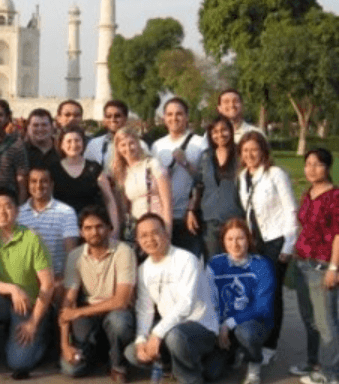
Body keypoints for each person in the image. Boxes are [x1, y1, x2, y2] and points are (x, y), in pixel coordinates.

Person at [0, 188, 54, 378]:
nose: (2, 212)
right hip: (3, 300)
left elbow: (48, 285)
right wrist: (12, 288)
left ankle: (43, 333)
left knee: (18, 363)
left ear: (17, 211)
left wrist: (32, 322)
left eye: (7, 207)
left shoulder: (32, 238)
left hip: (30, 306)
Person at [124, 213, 219, 384]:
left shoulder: (186, 259)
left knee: (175, 337)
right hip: (171, 328)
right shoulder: (144, 269)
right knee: (132, 353)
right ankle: (171, 366)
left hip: (200, 326)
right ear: (137, 240)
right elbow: (145, 309)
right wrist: (140, 340)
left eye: (155, 233)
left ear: (166, 234)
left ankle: (190, 378)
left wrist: (157, 333)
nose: (150, 239)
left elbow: (186, 304)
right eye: (143, 235)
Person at [237, 131, 299, 364]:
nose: (250, 154)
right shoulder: (243, 176)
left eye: (254, 149)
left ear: (263, 151)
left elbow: (291, 209)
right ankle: (256, 339)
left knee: (272, 295)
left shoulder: (275, 174)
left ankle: (270, 345)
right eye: (245, 151)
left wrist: (289, 244)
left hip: (276, 241)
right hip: (255, 244)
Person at [59, 205, 136, 381]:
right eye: (88, 228)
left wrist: (78, 312)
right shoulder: (75, 256)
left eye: (99, 226)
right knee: (71, 370)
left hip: (116, 311)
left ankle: (118, 365)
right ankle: (96, 354)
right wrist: (65, 345)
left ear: (110, 228)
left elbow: (121, 301)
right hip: (89, 313)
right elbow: (68, 302)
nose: (94, 232)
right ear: (81, 232)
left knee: (119, 322)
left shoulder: (124, 251)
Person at [289, 148, 339, 384]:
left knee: (325, 321)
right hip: (302, 263)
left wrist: (334, 268)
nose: (311, 169)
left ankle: (331, 373)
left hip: (321, 265)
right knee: (309, 319)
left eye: (317, 164)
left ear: (328, 167)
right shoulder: (309, 193)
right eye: (308, 163)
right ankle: (313, 362)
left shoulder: (334, 196)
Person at [206, 218, 275, 384]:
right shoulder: (215, 264)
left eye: (240, 238)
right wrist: (217, 325)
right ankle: (236, 352)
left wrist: (229, 323)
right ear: (223, 241)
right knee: (210, 374)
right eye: (230, 239)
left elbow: (262, 307)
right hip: (223, 327)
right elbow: (207, 299)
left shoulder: (261, 265)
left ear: (249, 240)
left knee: (246, 332)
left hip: (252, 324)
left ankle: (254, 365)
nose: (235, 244)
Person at [152, 97, 206, 257]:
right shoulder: (157, 145)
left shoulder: (200, 143)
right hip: (164, 215)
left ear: (187, 117)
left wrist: (186, 164)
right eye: (169, 114)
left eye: (179, 114)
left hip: (189, 215)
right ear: (164, 118)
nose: (174, 118)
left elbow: (205, 179)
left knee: (190, 263)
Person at [188, 115, 244, 260]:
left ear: (231, 131)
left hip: (235, 219)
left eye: (224, 130)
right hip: (209, 220)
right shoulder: (206, 156)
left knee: (236, 262)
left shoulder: (240, 155)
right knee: (213, 264)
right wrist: (191, 210)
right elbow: (198, 184)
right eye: (215, 131)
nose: (220, 134)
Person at [17, 166, 80, 285]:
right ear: (28, 184)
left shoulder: (66, 212)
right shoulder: (18, 214)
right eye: (34, 181)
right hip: (26, 280)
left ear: (51, 184)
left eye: (44, 181)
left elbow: (71, 252)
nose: (38, 186)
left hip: (56, 279)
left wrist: (63, 279)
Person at [53, 125, 120, 234]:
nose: (73, 145)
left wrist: (115, 229)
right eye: (69, 141)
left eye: (77, 140)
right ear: (61, 145)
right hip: (61, 228)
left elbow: (109, 200)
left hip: (92, 229)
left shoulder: (94, 168)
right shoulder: (53, 170)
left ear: (83, 143)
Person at [111, 127, 173, 238]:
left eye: (131, 143)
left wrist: (167, 231)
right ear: (118, 149)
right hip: (137, 227)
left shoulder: (152, 165)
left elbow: (167, 202)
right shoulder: (122, 173)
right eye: (123, 145)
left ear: (138, 144)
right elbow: (123, 208)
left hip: (157, 223)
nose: (128, 148)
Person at [85, 100, 149, 172]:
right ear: (104, 119)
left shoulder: (140, 145)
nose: (113, 119)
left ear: (125, 118)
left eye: (117, 116)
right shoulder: (94, 144)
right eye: (108, 116)